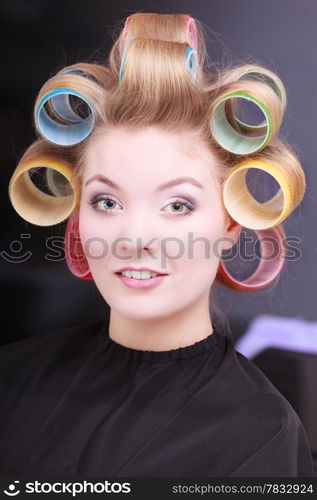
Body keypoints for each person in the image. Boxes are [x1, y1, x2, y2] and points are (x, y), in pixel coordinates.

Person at [1, 11, 314, 478]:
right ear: (77, 215)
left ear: (231, 225)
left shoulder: (258, 436)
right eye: (106, 201)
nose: (134, 239)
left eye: (177, 206)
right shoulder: (11, 378)